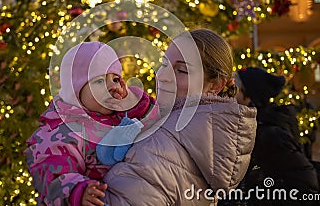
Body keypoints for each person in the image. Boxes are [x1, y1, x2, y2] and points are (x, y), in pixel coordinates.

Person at [103, 29, 257, 205]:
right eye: (164, 64)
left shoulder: (160, 149)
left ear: (215, 85)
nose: (162, 76)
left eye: (182, 70)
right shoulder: (200, 138)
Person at [24, 42, 159, 206]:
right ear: (76, 91)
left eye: (115, 79)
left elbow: (156, 122)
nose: (112, 87)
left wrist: (133, 102)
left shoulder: (121, 116)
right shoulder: (63, 129)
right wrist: (78, 191)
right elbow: (51, 171)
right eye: (99, 81)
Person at [233, 67, 320, 206]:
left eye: (234, 89)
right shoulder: (251, 125)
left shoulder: (269, 134)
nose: (229, 95)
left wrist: (260, 197)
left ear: (249, 95)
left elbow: (306, 184)